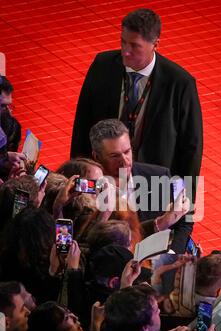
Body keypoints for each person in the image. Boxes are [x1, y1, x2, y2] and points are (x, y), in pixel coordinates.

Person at [71, 8, 203, 201]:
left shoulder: (180, 83)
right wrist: (77, 176)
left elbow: (191, 147)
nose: (125, 51)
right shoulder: (102, 65)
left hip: (152, 189)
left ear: (155, 44)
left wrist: (185, 205)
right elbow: (82, 125)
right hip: (103, 181)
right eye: (123, 41)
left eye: (134, 46)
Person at [89, 118, 192, 253]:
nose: (125, 161)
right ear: (96, 157)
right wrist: (161, 223)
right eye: (114, 156)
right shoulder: (86, 192)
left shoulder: (159, 176)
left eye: (127, 152)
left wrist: (171, 257)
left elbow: (184, 222)